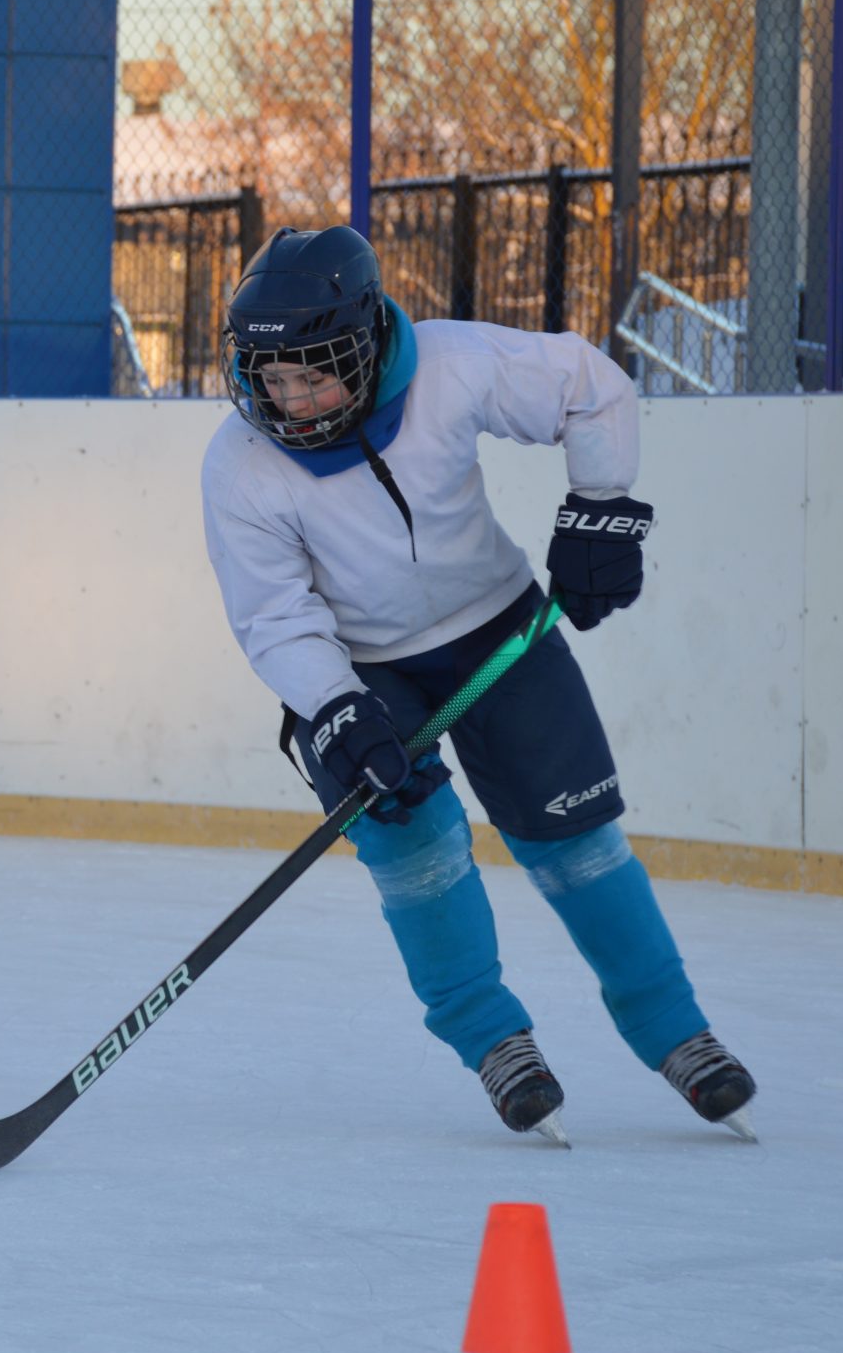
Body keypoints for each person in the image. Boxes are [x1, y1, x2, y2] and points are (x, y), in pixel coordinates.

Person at [199, 225, 756, 1142]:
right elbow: (273, 616)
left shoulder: (451, 365)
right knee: (414, 847)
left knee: (576, 841)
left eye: (317, 372)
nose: (293, 400)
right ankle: (496, 1044)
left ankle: (676, 1032)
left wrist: (601, 510)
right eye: (273, 379)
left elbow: (591, 388)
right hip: (360, 672)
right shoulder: (240, 466)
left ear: (370, 341)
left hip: (500, 631)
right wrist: (336, 712)